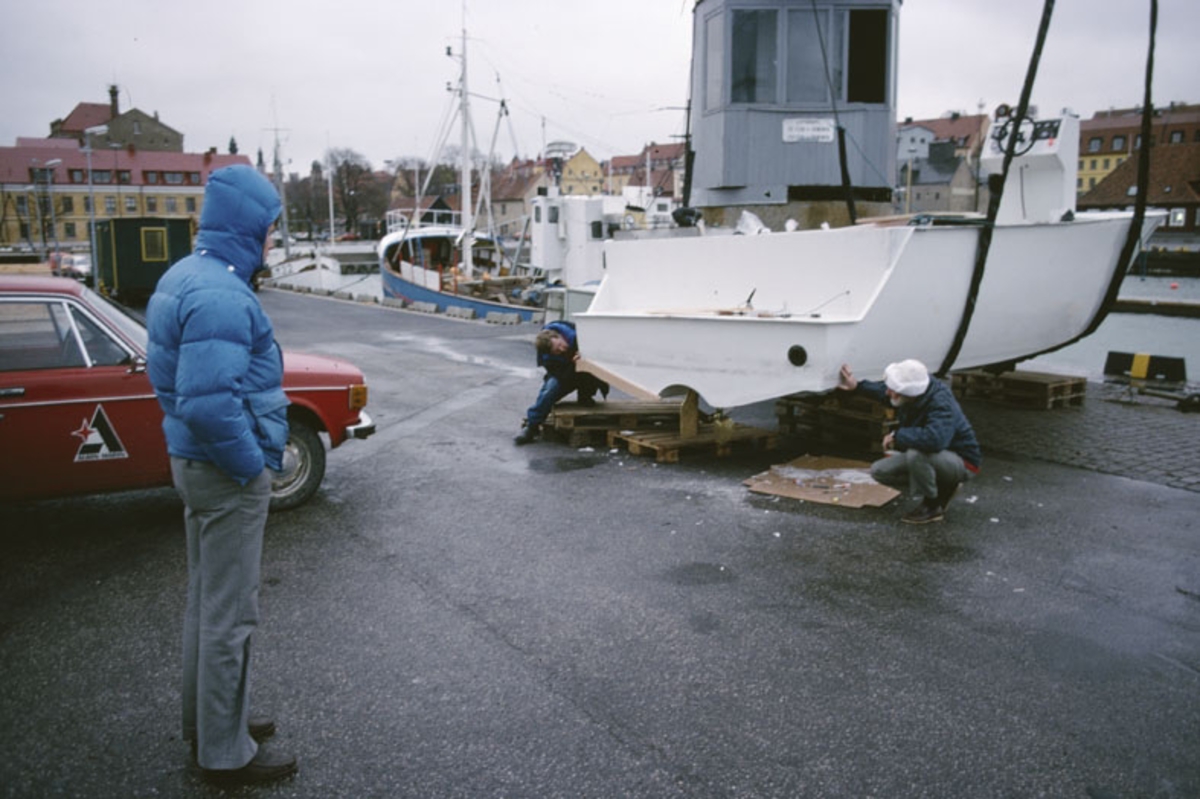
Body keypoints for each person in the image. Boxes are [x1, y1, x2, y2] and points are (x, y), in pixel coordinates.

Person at [146, 165, 297, 784]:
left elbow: (185, 391)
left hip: (191, 463)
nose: (271, 242)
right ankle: (225, 754)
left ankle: (210, 724)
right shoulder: (222, 295)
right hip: (221, 472)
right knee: (231, 614)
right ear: (248, 226)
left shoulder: (186, 275)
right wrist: (251, 466)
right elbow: (210, 403)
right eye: (269, 230)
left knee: (206, 607)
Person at [838, 359, 981, 524]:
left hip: (963, 461)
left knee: (917, 454)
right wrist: (857, 386)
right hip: (937, 457)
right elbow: (885, 393)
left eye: (893, 390)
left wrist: (897, 436)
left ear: (907, 394)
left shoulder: (941, 403)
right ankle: (944, 486)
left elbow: (935, 440)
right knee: (879, 471)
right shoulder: (913, 392)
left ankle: (932, 506)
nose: (887, 393)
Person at [514, 320, 609, 445]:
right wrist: (573, 363)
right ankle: (532, 427)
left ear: (557, 336)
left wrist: (585, 357)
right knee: (549, 390)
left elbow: (602, 352)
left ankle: (585, 396)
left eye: (560, 345)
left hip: (587, 374)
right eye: (557, 351)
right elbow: (559, 375)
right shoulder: (546, 356)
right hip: (566, 375)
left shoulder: (579, 333)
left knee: (590, 371)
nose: (562, 349)